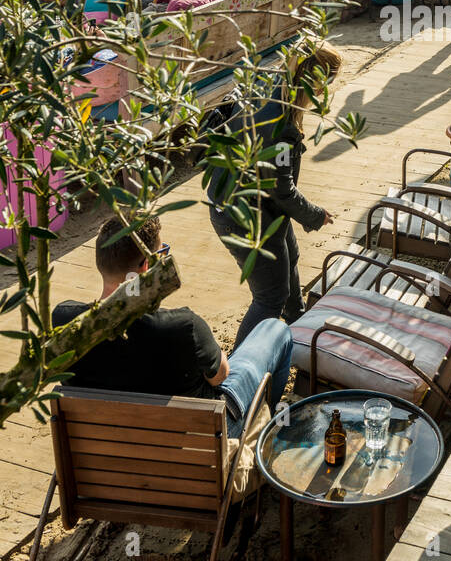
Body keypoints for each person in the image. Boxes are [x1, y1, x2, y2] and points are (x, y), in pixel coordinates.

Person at [52, 216, 294, 452]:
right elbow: (220, 377)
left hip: (105, 455)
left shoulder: (65, 322)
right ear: (148, 265)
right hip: (197, 450)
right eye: (162, 253)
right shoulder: (183, 326)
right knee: (276, 330)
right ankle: (262, 435)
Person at [207, 73, 335, 347]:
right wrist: (315, 215)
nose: (324, 92)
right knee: (269, 297)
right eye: (325, 83)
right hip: (245, 217)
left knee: (290, 260)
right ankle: (237, 375)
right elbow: (283, 190)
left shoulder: (262, 88)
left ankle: (298, 324)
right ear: (314, 82)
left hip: (252, 203)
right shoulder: (283, 130)